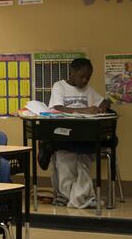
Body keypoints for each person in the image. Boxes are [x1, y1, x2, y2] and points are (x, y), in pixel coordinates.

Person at [46, 57, 110, 208]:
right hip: (64, 136)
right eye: (82, 76)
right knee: (65, 163)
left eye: (88, 77)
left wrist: (102, 108)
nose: (85, 80)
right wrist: (85, 110)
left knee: (83, 162)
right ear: (72, 73)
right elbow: (57, 108)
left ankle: (76, 199)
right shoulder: (59, 86)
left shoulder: (88, 90)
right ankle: (79, 199)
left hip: (84, 138)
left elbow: (105, 102)